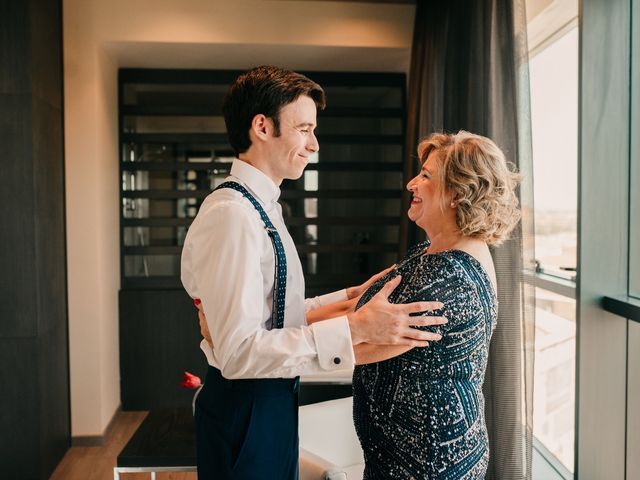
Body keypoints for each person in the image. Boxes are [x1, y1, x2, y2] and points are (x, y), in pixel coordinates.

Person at [180, 66, 447, 480]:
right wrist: (354, 330)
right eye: (304, 129)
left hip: (271, 401)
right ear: (262, 127)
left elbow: (273, 311)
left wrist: (350, 295)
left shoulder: (261, 206)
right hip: (246, 410)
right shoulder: (232, 216)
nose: (314, 144)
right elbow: (237, 353)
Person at [345, 131, 522, 479]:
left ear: (457, 193)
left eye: (425, 175)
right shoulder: (433, 255)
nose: (412, 183)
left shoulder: (447, 279)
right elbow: (357, 310)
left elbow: (357, 344)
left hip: (428, 462)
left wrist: (266, 345)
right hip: (408, 454)